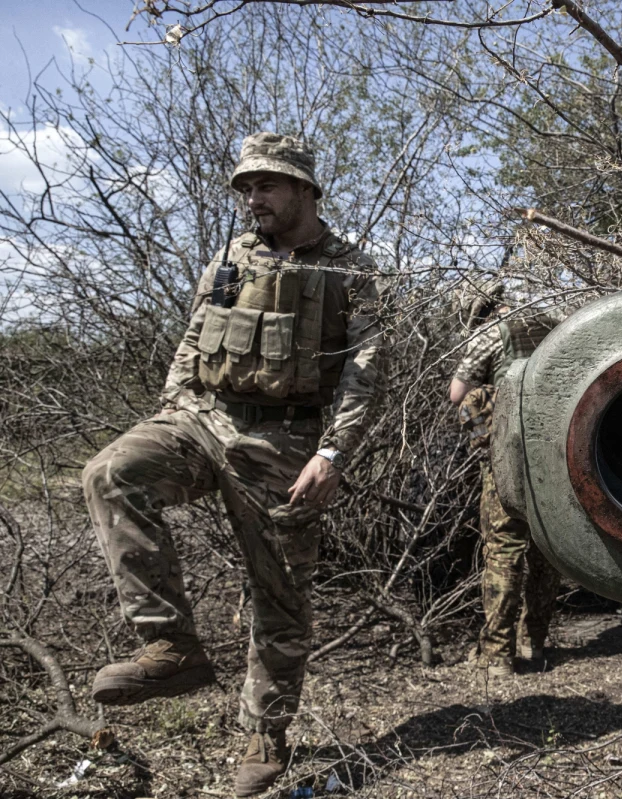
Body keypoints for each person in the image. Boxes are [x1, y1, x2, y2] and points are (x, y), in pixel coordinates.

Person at [82, 132, 386, 796]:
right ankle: (171, 647)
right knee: (111, 472)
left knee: (279, 593)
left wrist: (332, 453)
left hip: (285, 440)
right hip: (204, 419)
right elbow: (196, 335)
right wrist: (173, 407)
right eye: (245, 187)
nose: (253, 198)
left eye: (266, 185)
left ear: (305, 189)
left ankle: (265, 732)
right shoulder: (231, 255)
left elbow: (365, 373)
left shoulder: (351, 269)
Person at [450, 279, 562, 677]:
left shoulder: (488, 334)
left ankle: (497, 654)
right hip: (557, 457)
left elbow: (456, 392)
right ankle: (534, 644)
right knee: (549, 551)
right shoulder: (556, 324)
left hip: (508, 459)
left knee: (503, 551)